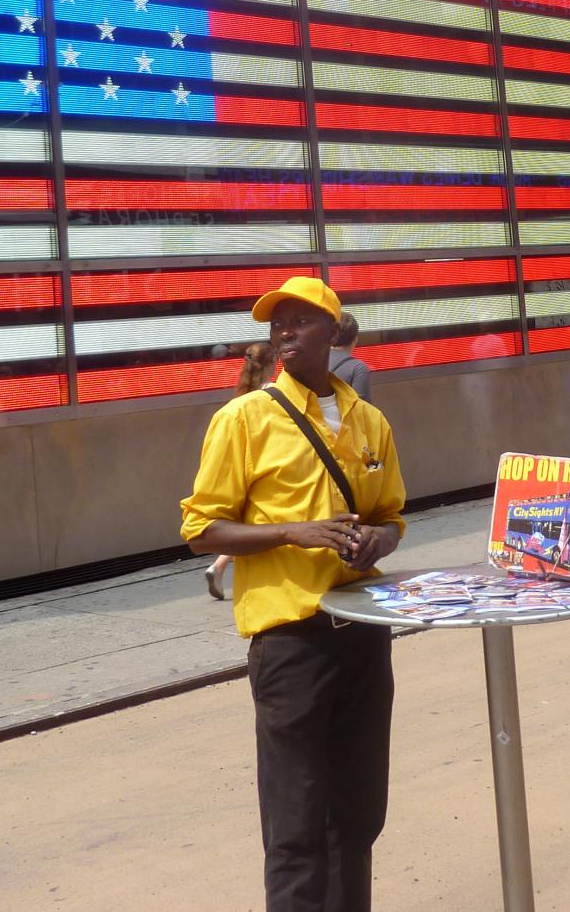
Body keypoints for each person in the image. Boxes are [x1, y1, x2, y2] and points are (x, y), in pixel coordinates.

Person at [181, 276, 407, 912]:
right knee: (296, 822)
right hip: (290, 642)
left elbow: (391, 516)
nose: (284, 332)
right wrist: (294, 531)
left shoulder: (369, 422)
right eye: (276, 323)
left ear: (333, 333)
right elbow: (201, 530)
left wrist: (376, 543)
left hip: (364, 633)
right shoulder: (244, 419)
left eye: (301, 321)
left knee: (357, 816)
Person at [206, 343, 279, 602]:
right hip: (264, 466)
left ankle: (219, 565)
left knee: (247, 523)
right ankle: (224, 568)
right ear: (273, 363)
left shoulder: (240, 396)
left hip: (243, 466)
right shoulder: (272, 394)